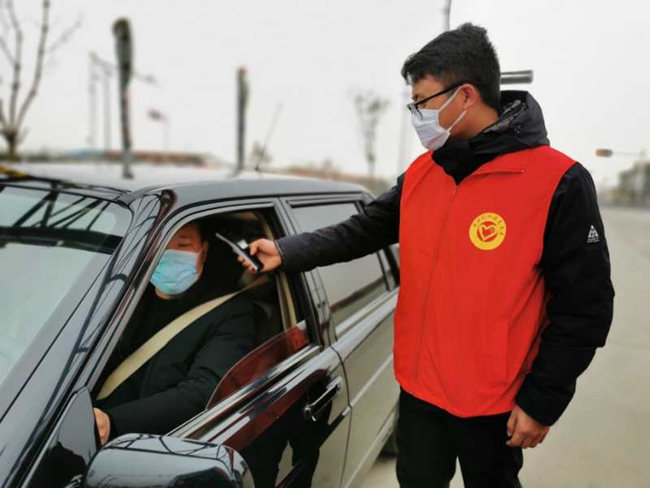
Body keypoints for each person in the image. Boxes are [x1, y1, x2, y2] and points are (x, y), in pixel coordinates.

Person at [238, 23, 615, 488]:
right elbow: (363, 230)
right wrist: (286, 250)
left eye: (422, 101)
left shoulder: (557, 182)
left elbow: (586, 308)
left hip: (495, 404)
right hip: (420, 393)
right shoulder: (423, 174)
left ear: (466, 96)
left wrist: (542, 401)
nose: (417, 114)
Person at [93, 221, 257, 445]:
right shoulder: (124, 296)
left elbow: (205, 391)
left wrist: (113, 422)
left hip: (148, 442)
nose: (169, 255)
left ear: (204, 252)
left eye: (182, 245)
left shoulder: (232, 311)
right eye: (160, 245)